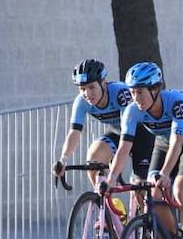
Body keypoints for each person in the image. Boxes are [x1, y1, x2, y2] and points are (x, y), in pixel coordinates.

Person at [99, 62, 183, 239]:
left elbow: (178, 143)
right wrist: (111, 179)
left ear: (154, 89)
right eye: (132, 92)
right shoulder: (132, 111)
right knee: (152, 192)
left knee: (181, 192)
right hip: (163, 145)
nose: (136, 98)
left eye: (140, 92)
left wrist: (166, 174)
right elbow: (124, 147)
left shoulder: (176, 102)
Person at [52, 58, 154, 190]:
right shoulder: (81, 101)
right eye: (82, 88)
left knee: (140, 188)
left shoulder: (121, 94)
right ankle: (104, 204)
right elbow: (74, 133)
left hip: (142, 134)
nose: (87, 94)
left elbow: (128, 132)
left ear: (103, 83)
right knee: (94, 161)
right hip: (118, 132)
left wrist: (116, 168)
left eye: (92, 87)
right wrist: (63, 159)